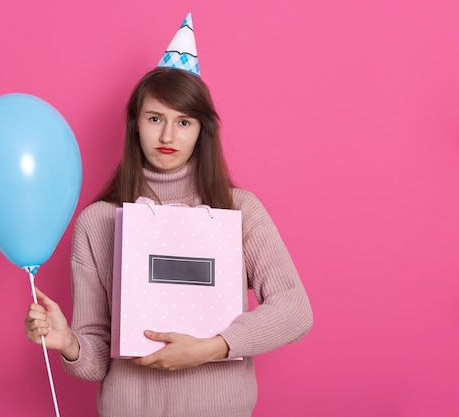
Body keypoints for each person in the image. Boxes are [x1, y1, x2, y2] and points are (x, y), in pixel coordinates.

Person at [25, 13, 312, 417]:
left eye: (184, 122)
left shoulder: (239, 210)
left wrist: (212, 348)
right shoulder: (98, 222)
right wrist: (68, 342)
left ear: (201, 130)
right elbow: (96, 359)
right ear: (135, 125)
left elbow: (296, 311)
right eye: (155, 118)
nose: (167, 136)